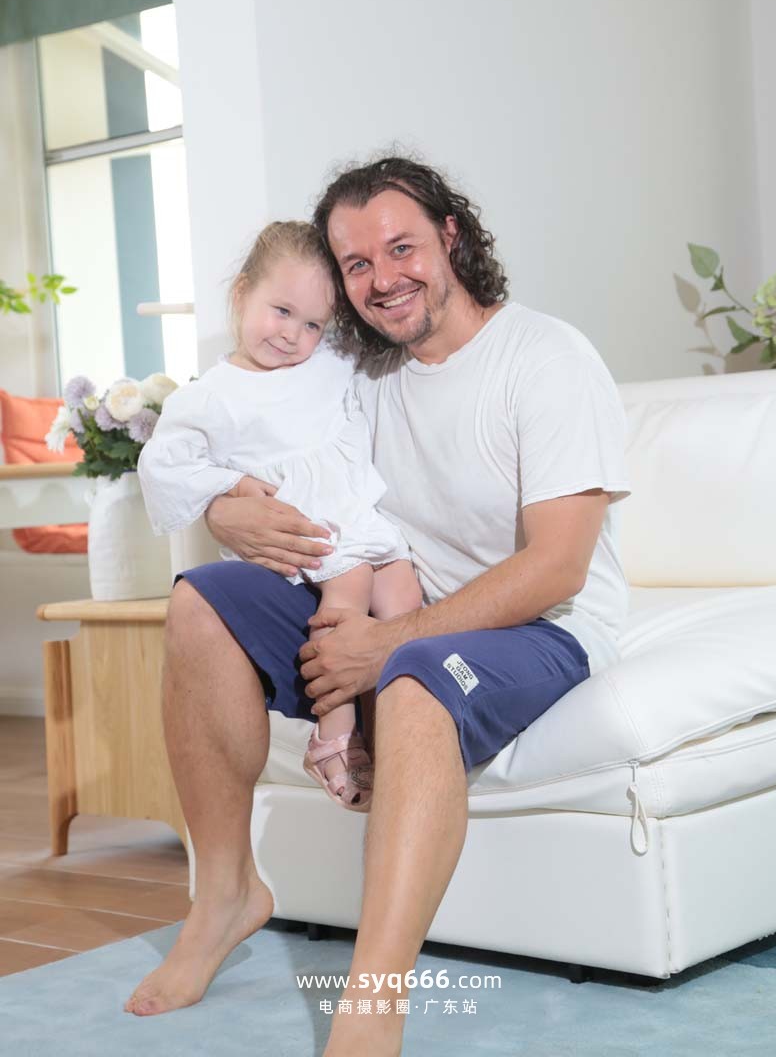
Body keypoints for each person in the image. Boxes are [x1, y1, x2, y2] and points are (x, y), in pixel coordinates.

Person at [124, 157, 631, 1057]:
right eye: (357, 263)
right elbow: (258, 430)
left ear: (451, 237)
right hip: (390, 606)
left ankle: (370, 1009)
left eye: (402, 248)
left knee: (415, 676)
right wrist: (222, 507)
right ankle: (226, 896)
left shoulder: (547, 358)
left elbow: (558, 568)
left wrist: (386, 642)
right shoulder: (353, 367)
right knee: (202, 600)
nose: (383, 278)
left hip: (541, 629)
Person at [137, 220, 422, 811]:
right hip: (307, 531)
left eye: (313, 323)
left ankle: (396, 728)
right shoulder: (210, 397)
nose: (293, 334)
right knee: (350, 589)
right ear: (242, 293)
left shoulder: (329, 363)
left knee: (403, 593)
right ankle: (333, 732)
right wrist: (232, 486)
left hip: (358, 518)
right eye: (282, 311)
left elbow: (387, 339)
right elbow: (162, 467)